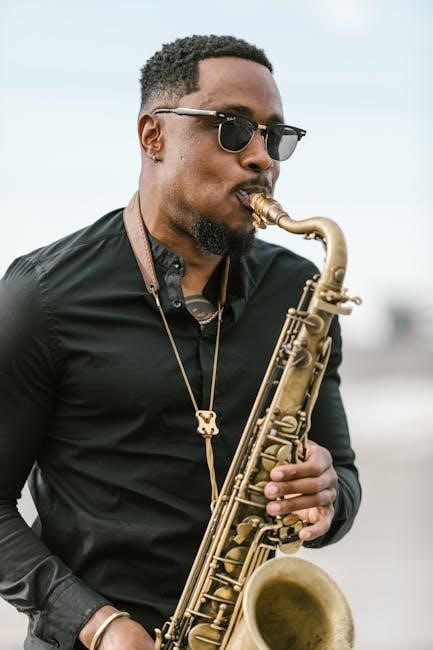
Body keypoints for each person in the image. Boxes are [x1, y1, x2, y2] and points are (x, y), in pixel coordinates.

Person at [0, 35, 361, 650]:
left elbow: (343, 476)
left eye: (275, 136)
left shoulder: (296, 289)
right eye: (232, 129)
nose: (262, 159)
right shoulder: (41, 295)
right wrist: (97, 624)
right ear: (153, 136)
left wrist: (327, 498)